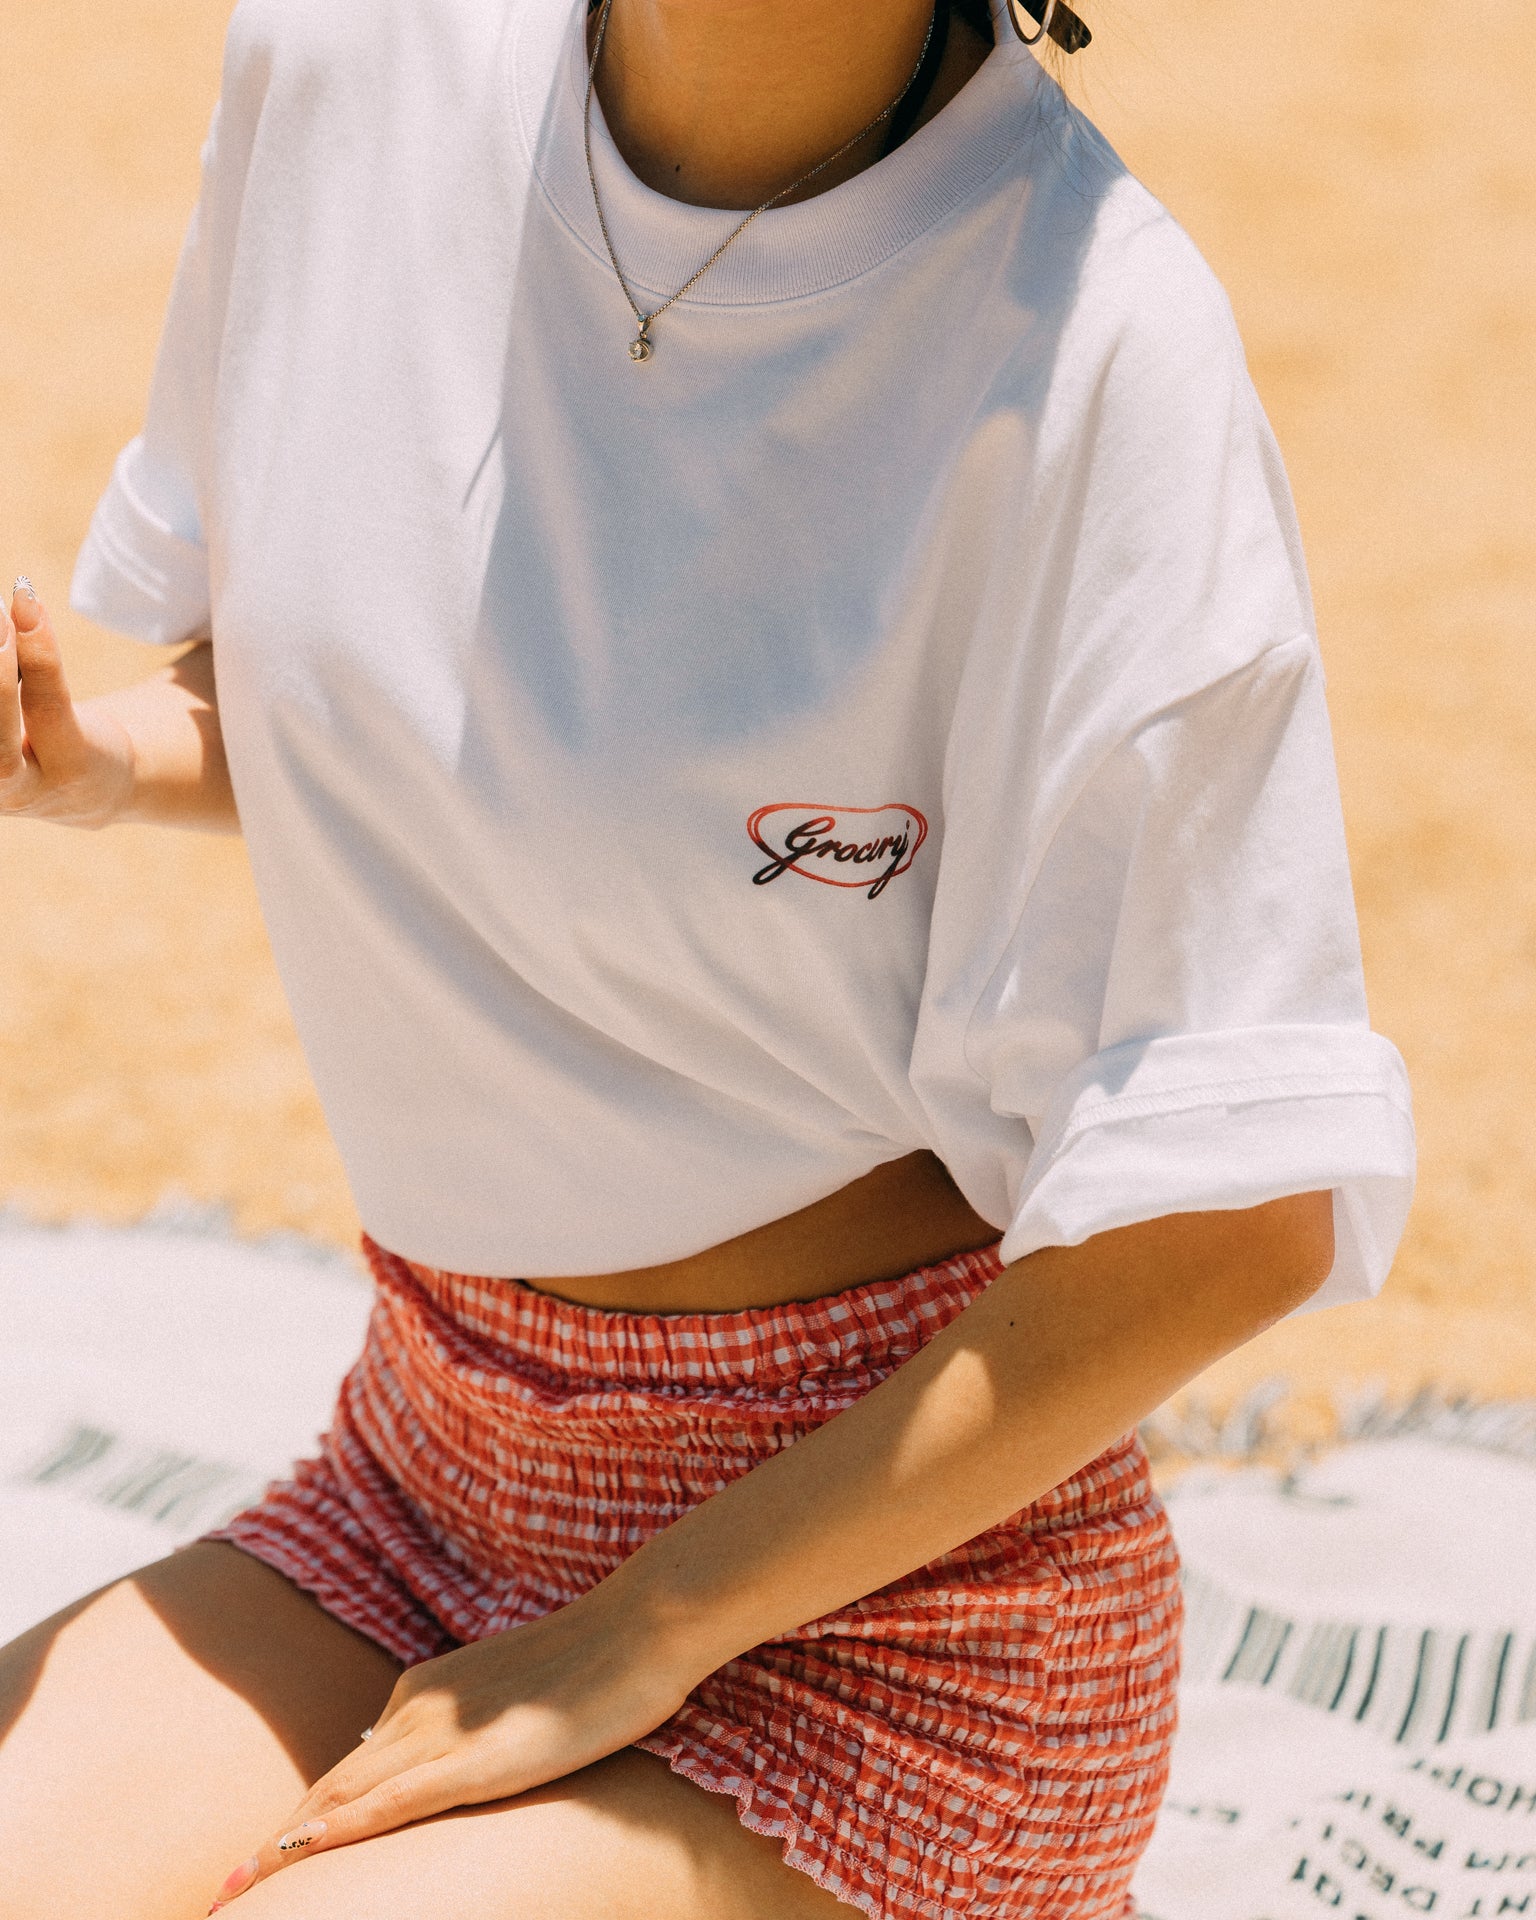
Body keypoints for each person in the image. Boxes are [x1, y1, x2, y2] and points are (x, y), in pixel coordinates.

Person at [0, 0, 1416, 1912]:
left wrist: (650, 1624)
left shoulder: (1098, 349)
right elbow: (402, 716)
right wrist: (85, 761)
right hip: (426, 1480)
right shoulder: (349, 65)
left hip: (893, 1625)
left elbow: (1233, 1224)